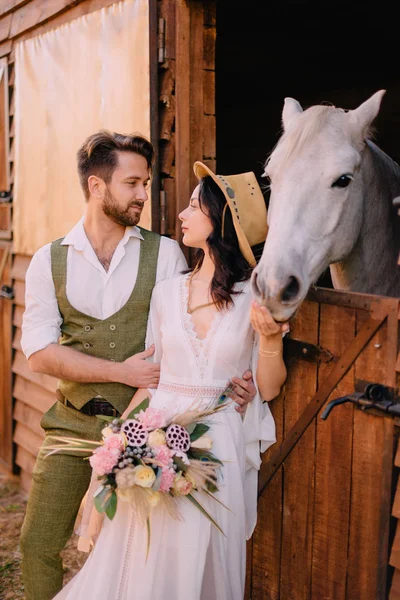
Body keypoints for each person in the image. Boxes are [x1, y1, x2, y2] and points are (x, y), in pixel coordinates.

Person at [19, 132, 256, 600]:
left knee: (146, 558)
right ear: (96, 186)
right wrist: (120, 372)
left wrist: (235, 378)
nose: (144, 196)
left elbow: (187, 336)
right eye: (132, 184)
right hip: (73, 423)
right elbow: (40, 353)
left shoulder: (166, 254)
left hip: (151, 428)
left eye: (145, 183)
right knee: (36, 544)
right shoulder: (49, 260)